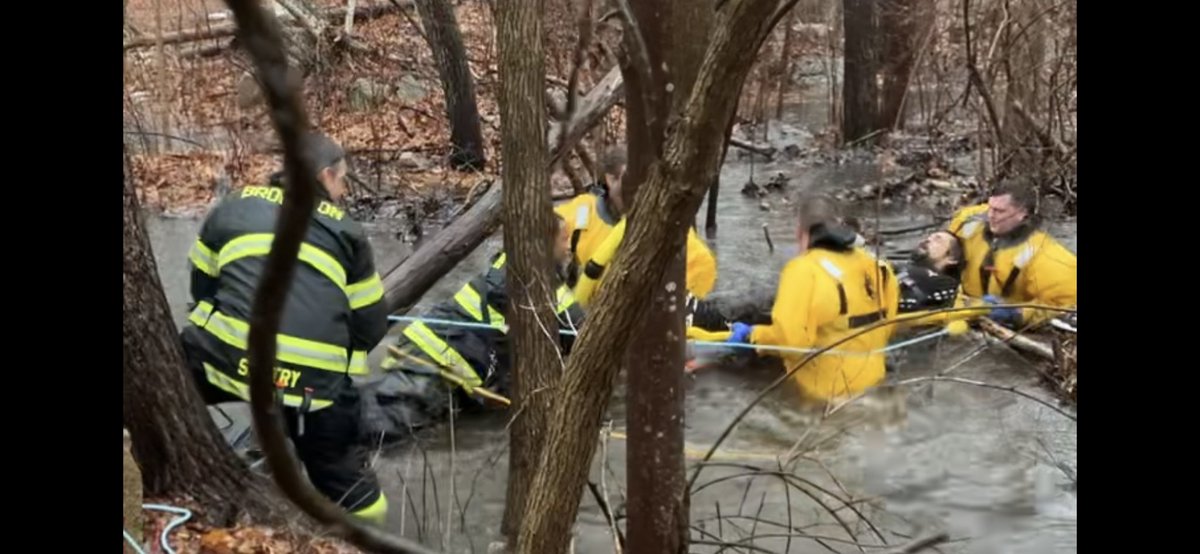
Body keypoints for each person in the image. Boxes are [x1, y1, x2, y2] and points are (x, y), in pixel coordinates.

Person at [180, 132, 390, 524]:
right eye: (343, 180)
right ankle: (370, 532)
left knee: (161, 382)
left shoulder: (234, 205)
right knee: (348, 479)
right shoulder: (347, 231)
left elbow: (202, 288)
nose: (344, 191)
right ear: (326, 176)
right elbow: (371, 324)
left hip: (222, 362)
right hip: (314, 388)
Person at [361, 214, 586, 439]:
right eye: (564, 239)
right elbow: (586, 341)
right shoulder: (553, 296)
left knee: (366, 408)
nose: (569, 247)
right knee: (378, 431)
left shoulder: (507, 262)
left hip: (426, 351)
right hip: (434, 367)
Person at [724, 194, 901, 403]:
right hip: (874, 388)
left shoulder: (802, 270)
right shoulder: (880, 267)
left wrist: (752, 336)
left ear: (800, 232)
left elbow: (791, 343)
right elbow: (887, 328)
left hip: (824, 398)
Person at [555, 144, 718, 304]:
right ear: (611, 179)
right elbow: (545, 234)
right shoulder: (580, 215)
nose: (640, 193)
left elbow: (701, 270)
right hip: (580, 310)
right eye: (631, 183)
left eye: (647, 185)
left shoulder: (673, 231)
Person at [946, 177, 1077, 328]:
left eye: (1000, 211)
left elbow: (1063, 304)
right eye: (990, 207)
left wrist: (1017, 314)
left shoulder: (1046, 256)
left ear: (1022, 214)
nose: (991, 215)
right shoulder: (968, 221)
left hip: (1000, 319)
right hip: (961, 306)